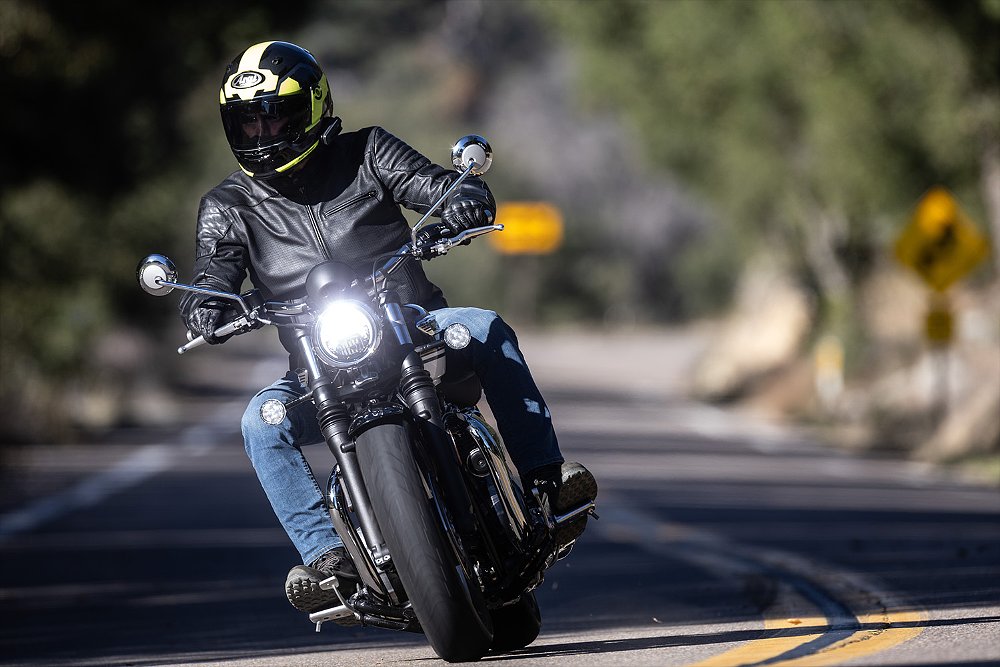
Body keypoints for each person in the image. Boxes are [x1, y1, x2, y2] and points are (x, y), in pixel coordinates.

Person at [179, 41, 597, 613]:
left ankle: (546, 480)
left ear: (313, 105)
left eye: (275, 113)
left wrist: (463, 196)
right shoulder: (227, 206)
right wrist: (206, 306)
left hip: (416, 329)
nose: (263, 130)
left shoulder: (369, 151)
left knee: (485, 326)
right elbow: (213, 274)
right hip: (317, 362)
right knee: (261, 421)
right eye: (247, 119)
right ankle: (328, 561)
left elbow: (432, 185)